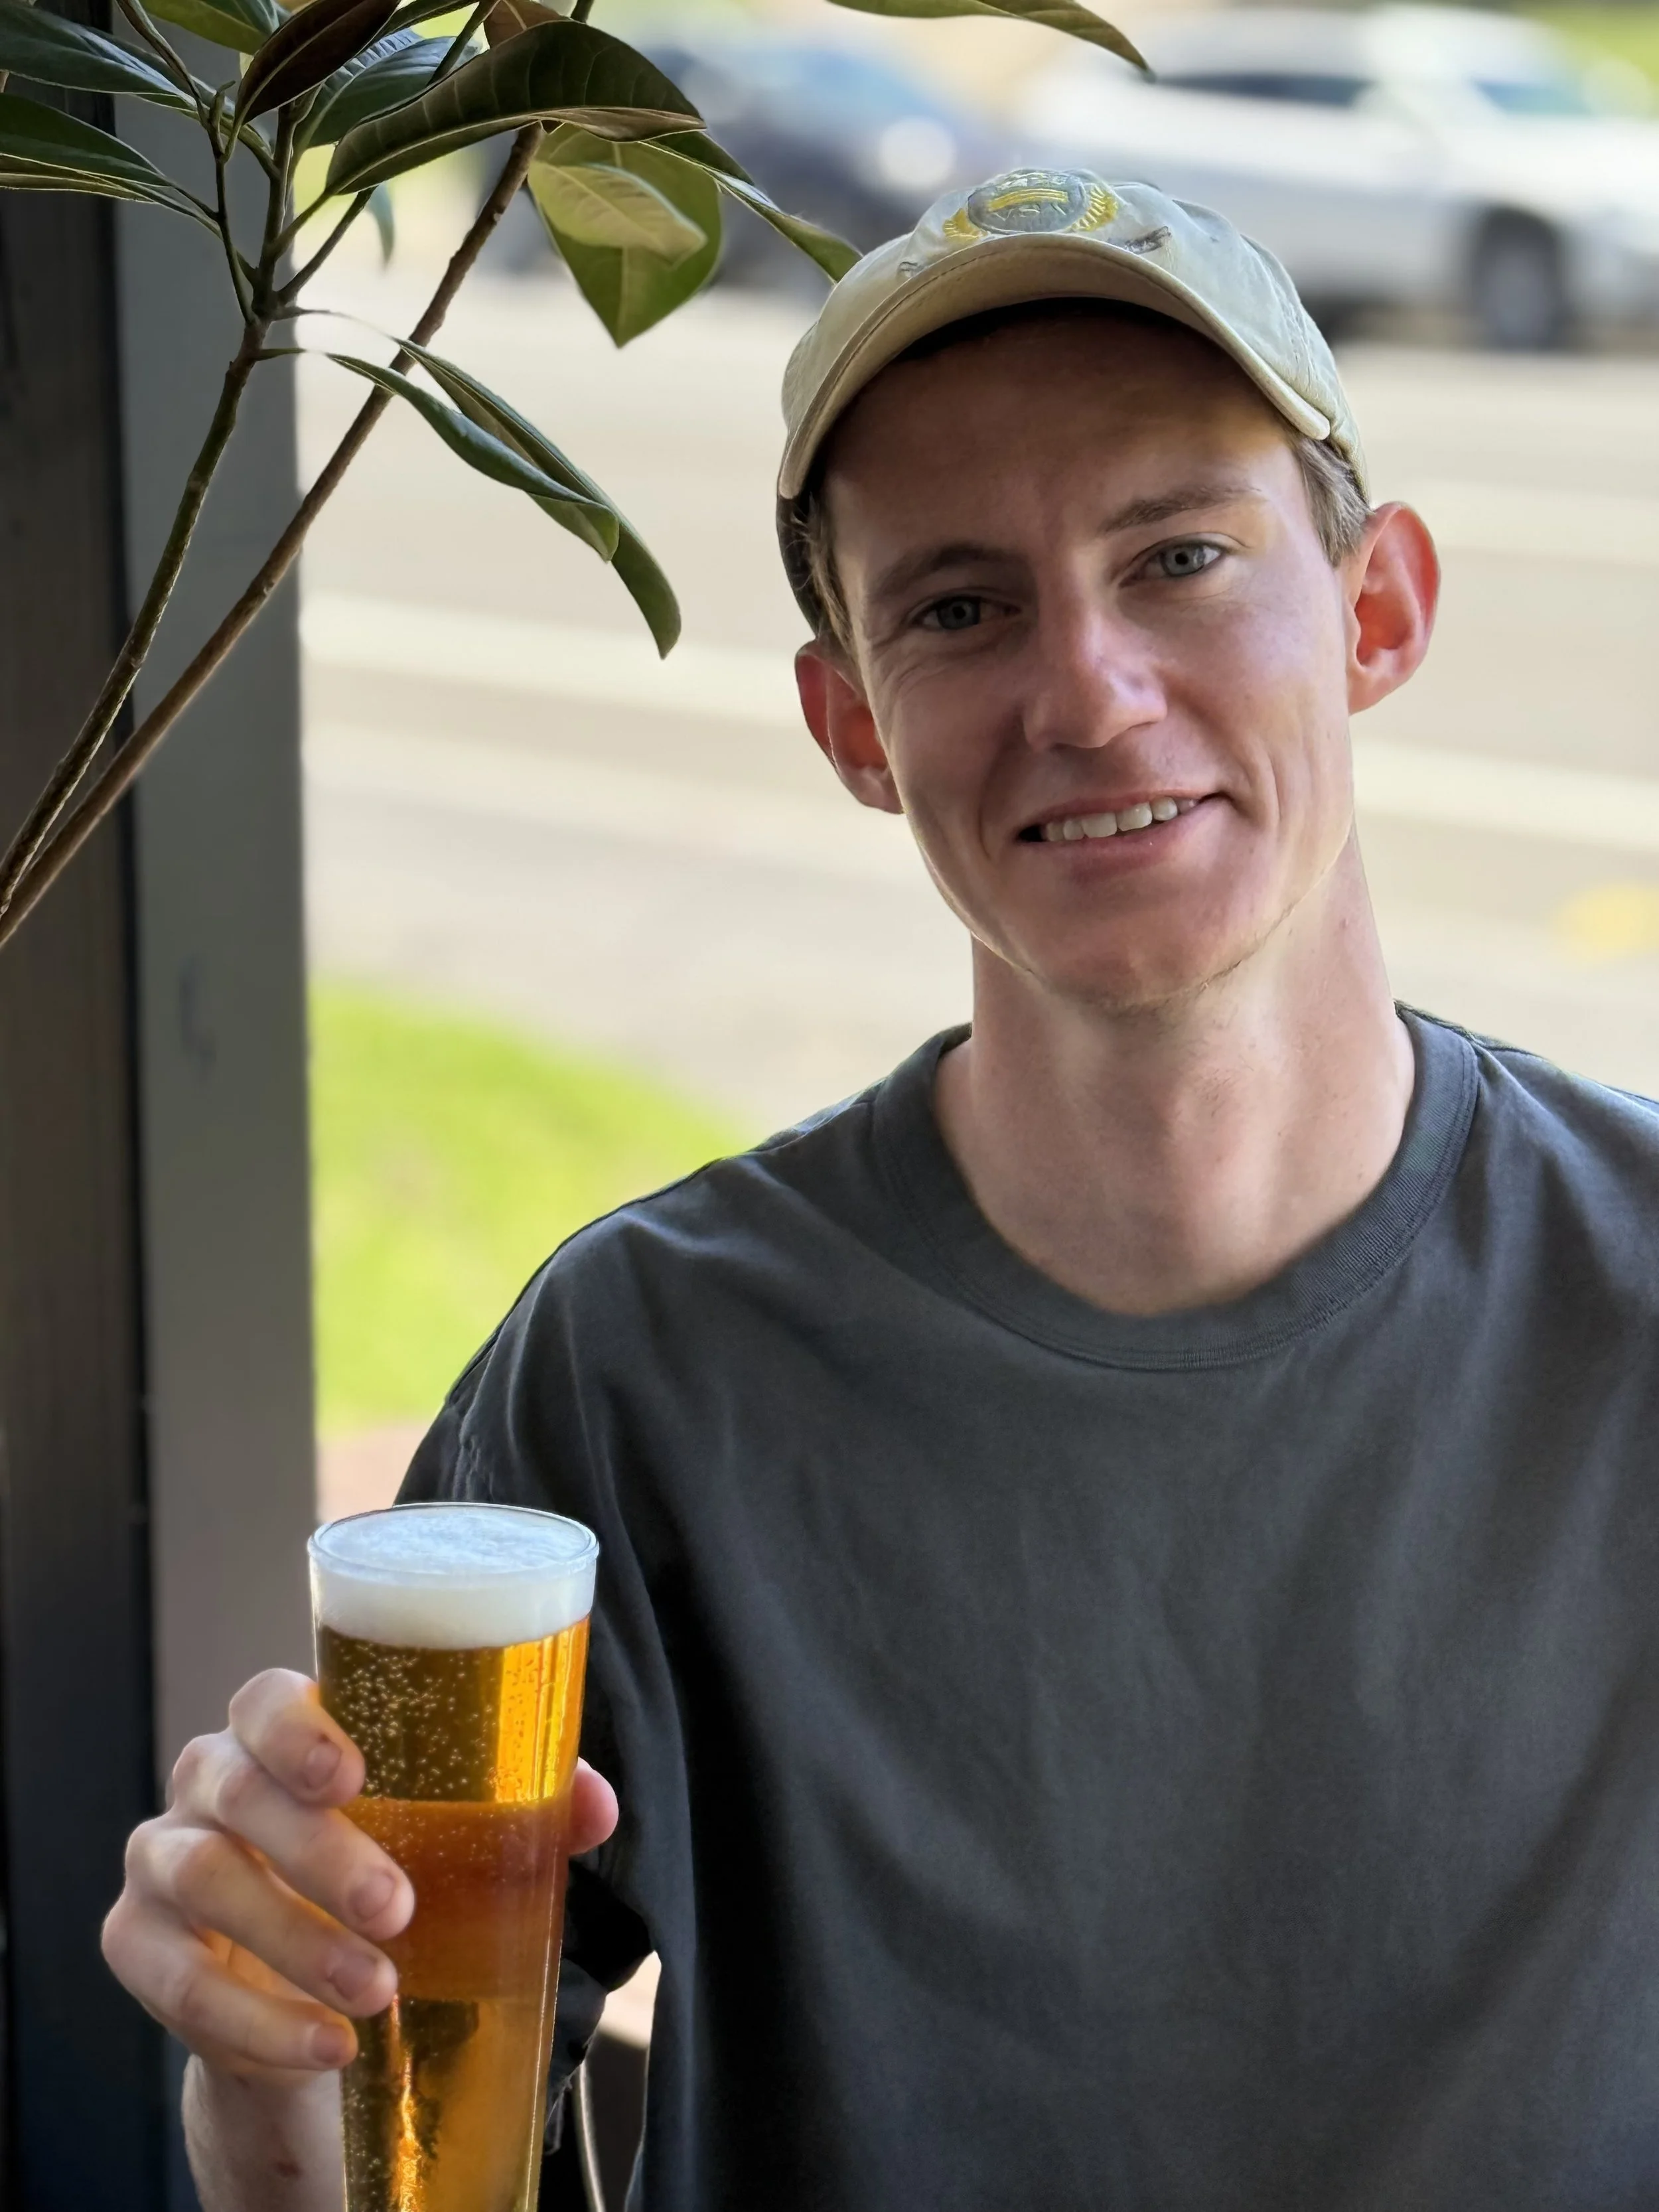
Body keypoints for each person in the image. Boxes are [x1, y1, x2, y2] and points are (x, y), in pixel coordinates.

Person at [104, 166, 1659, 2211]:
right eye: (956, 608)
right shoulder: (639, 1370)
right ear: (851, 722)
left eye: (1178, 556)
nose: (1087, 691)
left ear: (1375, 609)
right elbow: (407, 2148)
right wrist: (271, 2079)